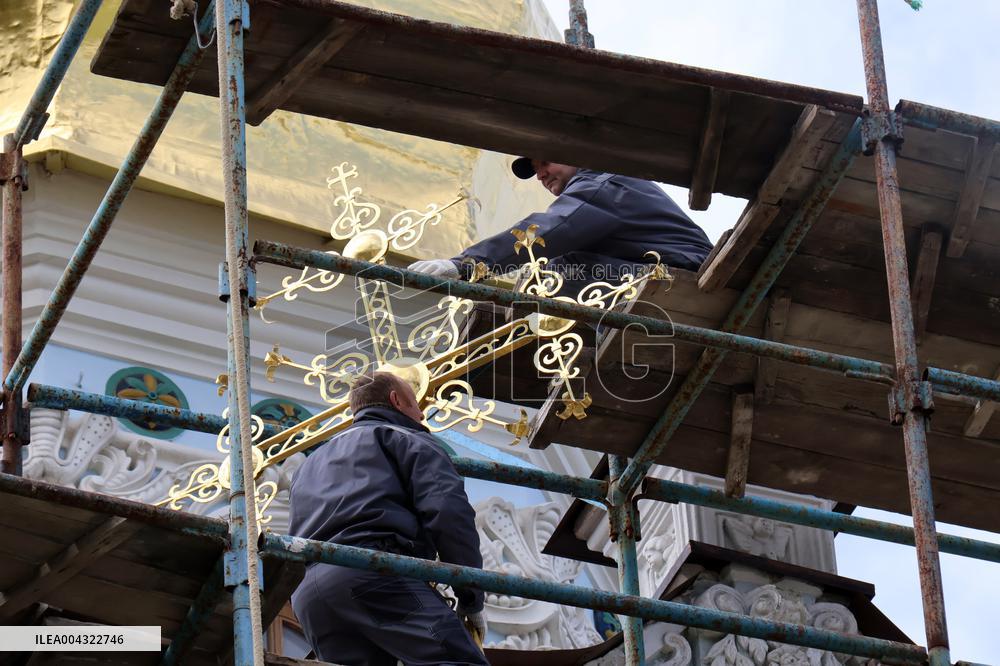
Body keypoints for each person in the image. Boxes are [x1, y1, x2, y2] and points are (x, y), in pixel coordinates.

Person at [289, 372, 489, 666]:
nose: (422, 415)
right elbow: (448, 512)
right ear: (396, 400)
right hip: (373, 572)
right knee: (458, 661)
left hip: (310, 596)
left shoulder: (308, 465)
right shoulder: (407, 438)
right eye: (417, 405)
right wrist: (471, 597)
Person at [408, 158, 714, 295]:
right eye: (536, 170)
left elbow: (547, 231)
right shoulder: (601, 184)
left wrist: (463, 265)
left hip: (682, 274)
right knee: (546, 276)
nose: (541, 174)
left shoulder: (600, 185)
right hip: (661, 270)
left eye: (545, 162)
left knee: (554, 272)